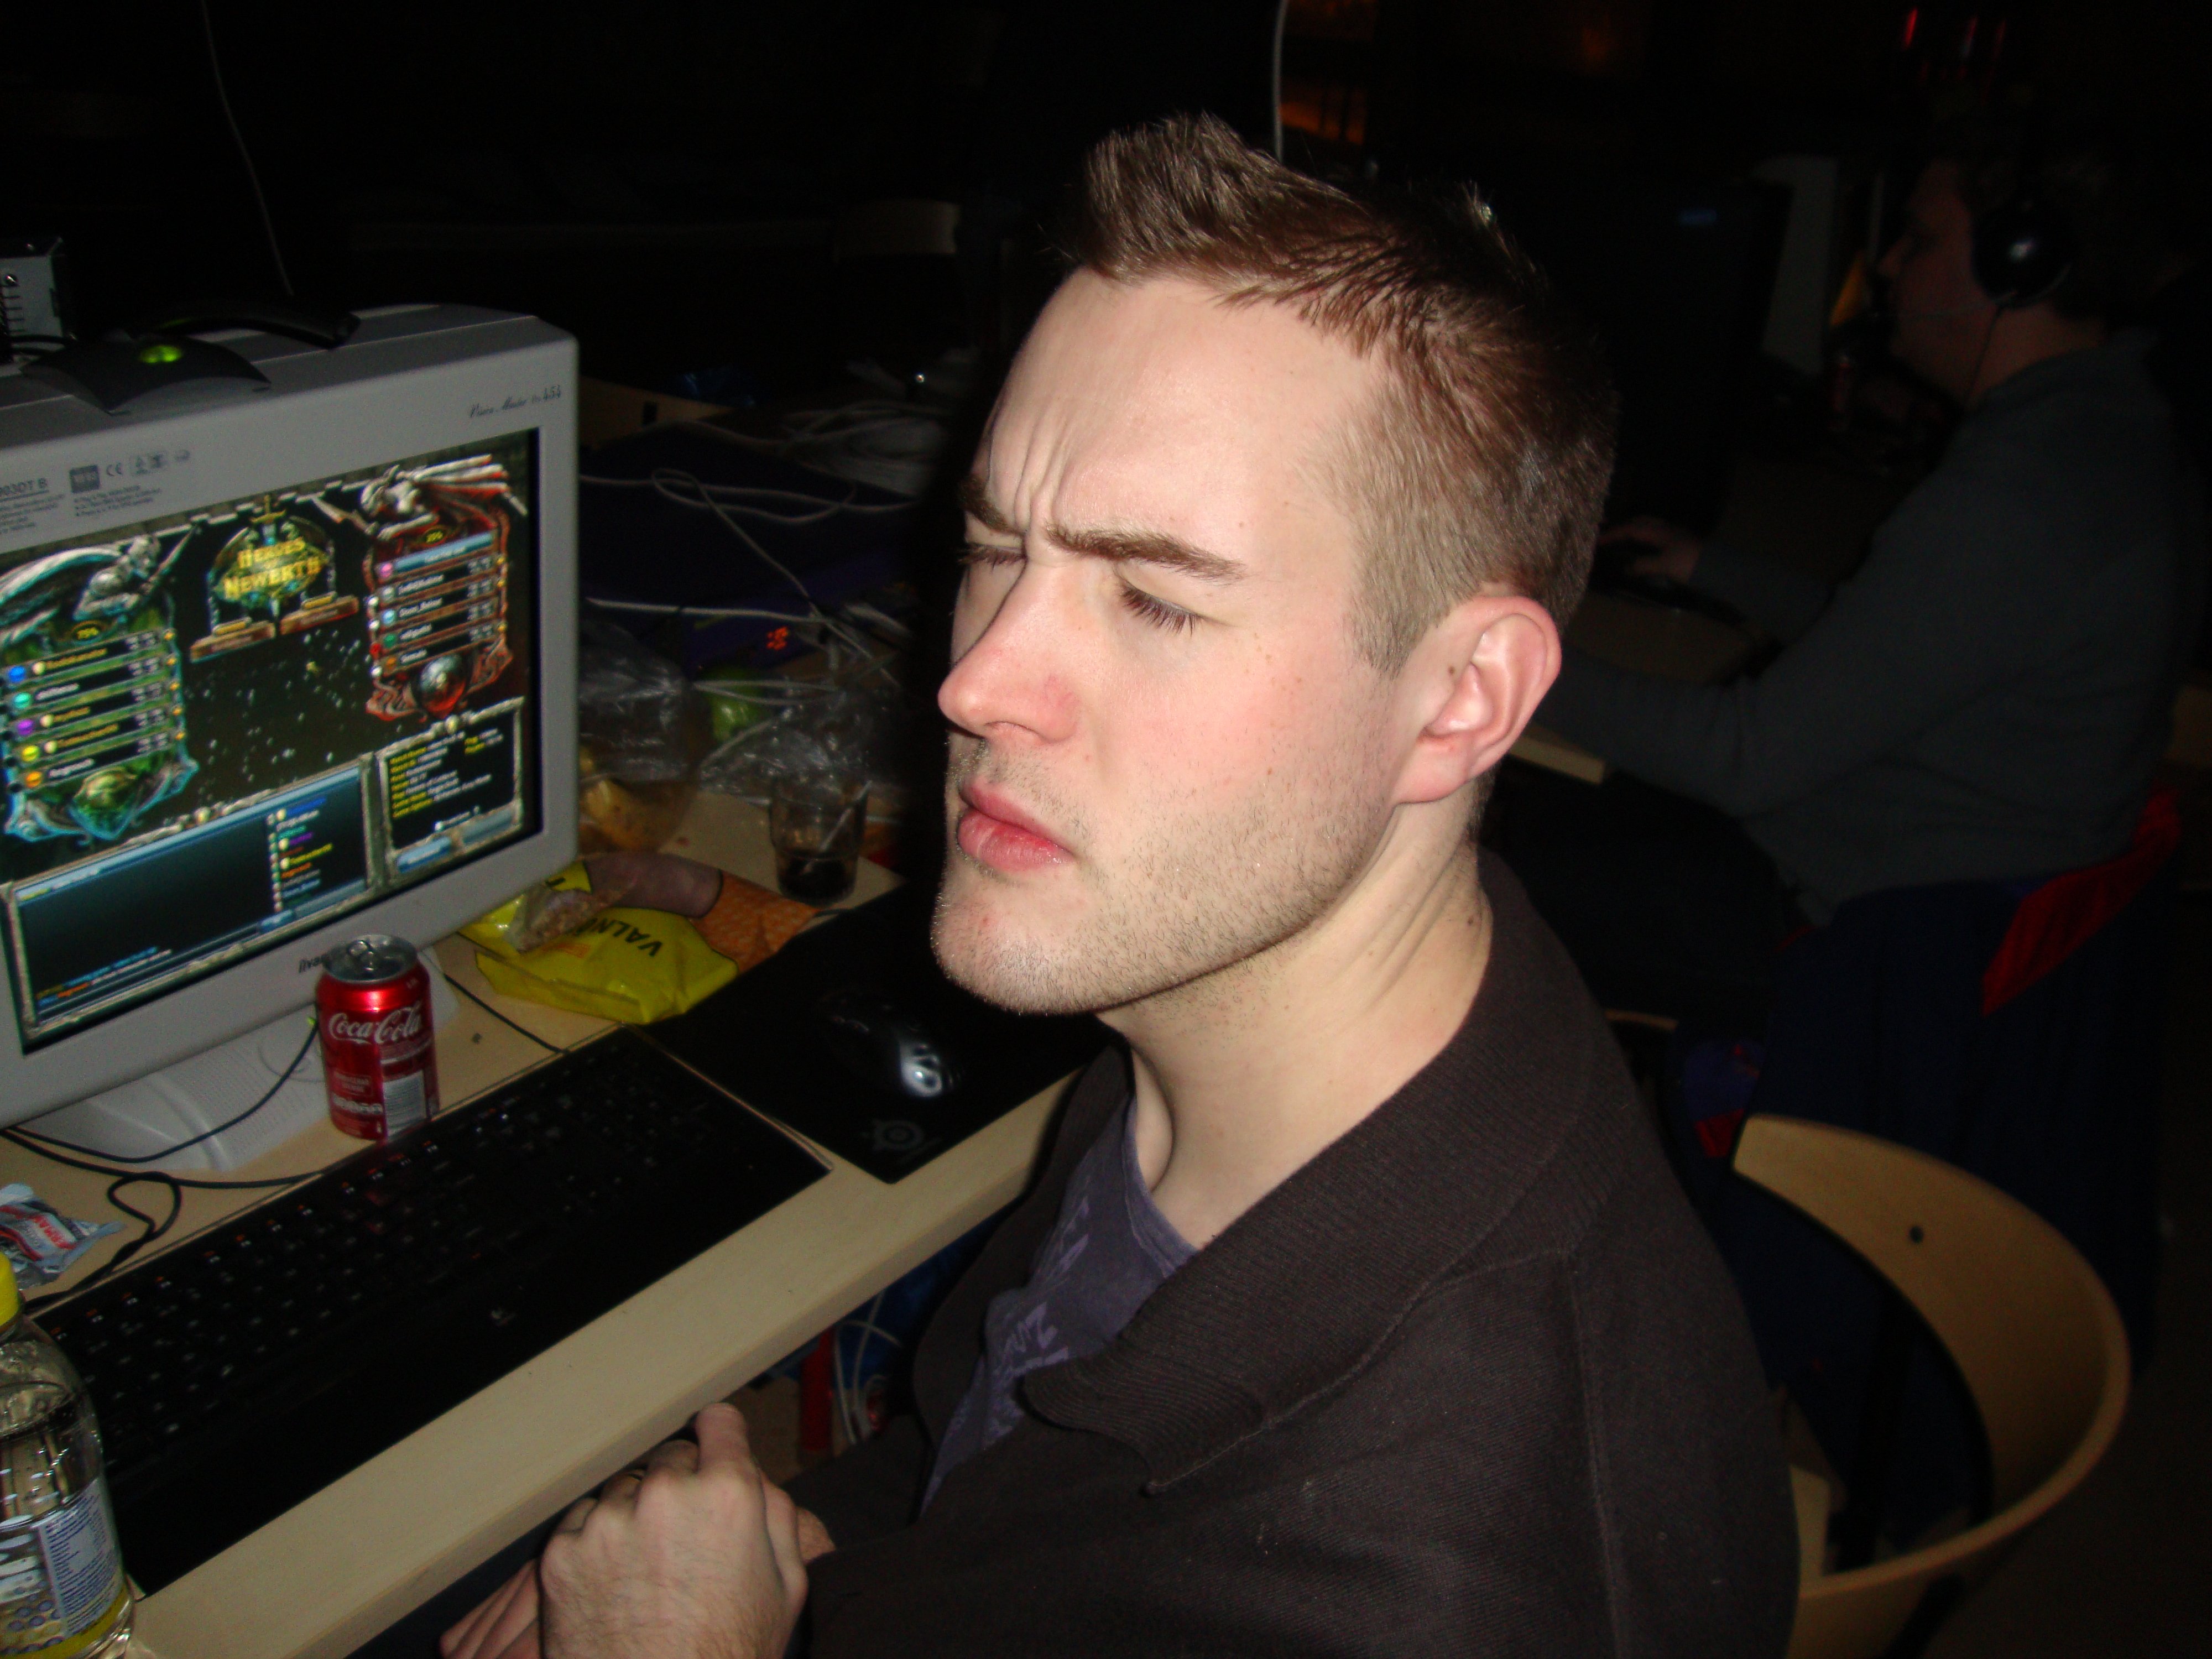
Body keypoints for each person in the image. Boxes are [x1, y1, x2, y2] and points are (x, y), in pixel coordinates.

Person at [442, 114, 1797, 1659]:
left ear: (1461, 699)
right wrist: (796, 1564)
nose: (974, 685)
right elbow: (975, 1491)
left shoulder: (1443, 1584)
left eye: (1153, 598)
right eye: (994, 549)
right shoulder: (1210, 1008)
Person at [1506, 121, 2204, 1029]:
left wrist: (1501, 653)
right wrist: (1711, 566)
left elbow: (1742, 759)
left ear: (2017, 267)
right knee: (1573, 792)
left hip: (1854, 939)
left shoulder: (2022, 492)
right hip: (1927, 896)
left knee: (1466, 854)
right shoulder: (2111, 434)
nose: (1888, 268)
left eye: (1920, 239)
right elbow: (1906, 644)